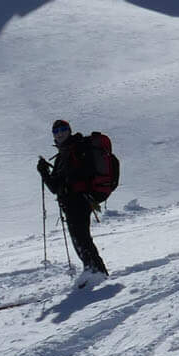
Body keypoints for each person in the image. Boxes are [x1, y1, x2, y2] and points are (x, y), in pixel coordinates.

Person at [38, 118, 111, 288]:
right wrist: (44, 172)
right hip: (72, 203)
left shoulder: (76, 149)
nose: (60, 133)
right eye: (56, 131)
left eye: (63, 129)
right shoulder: (64, 154)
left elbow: (66, 181)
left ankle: (96, 272)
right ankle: (93, 271)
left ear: (69, 130)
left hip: (78, 201)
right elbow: (56, 187)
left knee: (81, 239)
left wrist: (51, 175)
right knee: (80, 239)